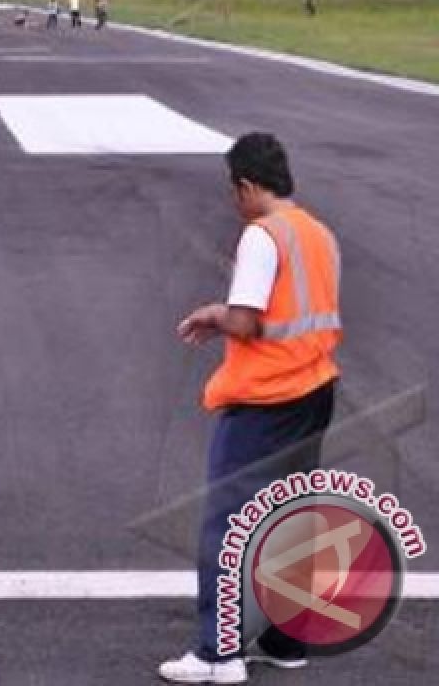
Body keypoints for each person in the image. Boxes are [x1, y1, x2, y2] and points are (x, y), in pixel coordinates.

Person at [159, 133, 342, 684]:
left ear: (246, 185)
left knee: (228, 524)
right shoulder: (319, 234)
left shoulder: (263, 237)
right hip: (315, 391)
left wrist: (212, 313)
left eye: (233, 192)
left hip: (265, 397)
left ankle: (218, 654)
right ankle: (287, 640)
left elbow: (245, 319)